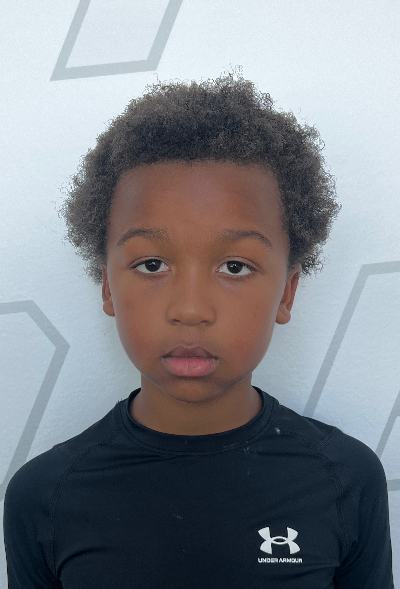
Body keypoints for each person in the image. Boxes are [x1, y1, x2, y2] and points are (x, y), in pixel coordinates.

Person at [3, 71, 394, 588]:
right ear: (107, 287)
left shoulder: (344, 478)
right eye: (151, 265)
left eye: (235, 266)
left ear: (287, 292)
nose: (190, 309)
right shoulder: (43, 498)